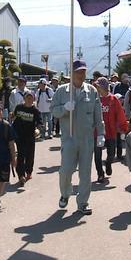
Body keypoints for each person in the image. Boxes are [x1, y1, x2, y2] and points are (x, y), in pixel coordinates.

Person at [51, 60, 105, 215]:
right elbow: (53, 110)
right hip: (69, 138)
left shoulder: (92, 91)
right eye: (78, 72)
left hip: (87, 139)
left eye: (83, 72)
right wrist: (64, 108)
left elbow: (97, 114)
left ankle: (83, 202)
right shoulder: (62, 91)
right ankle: (65, 193)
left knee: (85, 173)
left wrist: (101, 133)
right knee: (66, 171)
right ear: (72, 73)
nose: (81, 75)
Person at [94, 77, 128, 182]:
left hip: (111, 132)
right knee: (97, 154)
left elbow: (120, 115)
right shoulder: (94, 99)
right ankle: (100, 173)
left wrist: (123, 127)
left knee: (111, 154)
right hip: (97, 132)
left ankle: (108, 164)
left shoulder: (113, 99)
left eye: (98, 86)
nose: (97, 88)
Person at [12, 91, 42, 187]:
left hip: (30, 136)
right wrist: (11, 115)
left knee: (29, 155)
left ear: (33, 99)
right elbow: (13, 116)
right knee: (21, 155)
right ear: (24, 99)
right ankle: (21, 176)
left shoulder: (35, 111)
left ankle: (29, 172)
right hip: (19, 135)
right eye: (27, 98)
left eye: (31, 98)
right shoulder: (19, 107)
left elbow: (39, 122)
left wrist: (37, 129)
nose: (29, 99)